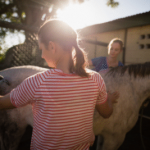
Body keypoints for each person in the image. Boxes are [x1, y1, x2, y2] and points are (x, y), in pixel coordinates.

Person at [0, 19, 119, 150]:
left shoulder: (37, 82)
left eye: (41, 49)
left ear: (52, 46)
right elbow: (107, 113)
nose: (42, 55)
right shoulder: (96, 79)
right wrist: (109, 99)